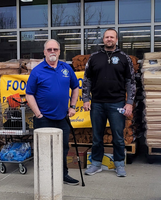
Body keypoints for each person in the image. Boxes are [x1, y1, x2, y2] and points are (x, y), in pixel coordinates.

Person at [26, 39, 80, 185]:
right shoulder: (37, 71)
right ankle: (44, 178)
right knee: (43, 150)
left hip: (62, 118)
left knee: (63, 148)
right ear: (44, 52)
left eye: (55, 49)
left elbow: (75, 87)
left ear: (59, 51)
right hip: (44, 118)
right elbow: (29, 94)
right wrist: (38, 114)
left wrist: (73, 106)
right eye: (49, 49)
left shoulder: (66, 68)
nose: (52, 52)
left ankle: (63, 175)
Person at [83, 28, 136, 177]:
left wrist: (129, 102)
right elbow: (87, 80)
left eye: (112, 37)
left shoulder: (124, 58)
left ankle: (119, 164)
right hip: (97, 104)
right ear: (103, 39)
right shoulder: (94, 58)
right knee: (97, 137)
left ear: (116, 40)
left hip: (117, 103)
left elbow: (130, 82)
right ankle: (96, 164)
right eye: (107, 37)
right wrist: (86, 99)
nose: (109, 39)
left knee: (118, 136)